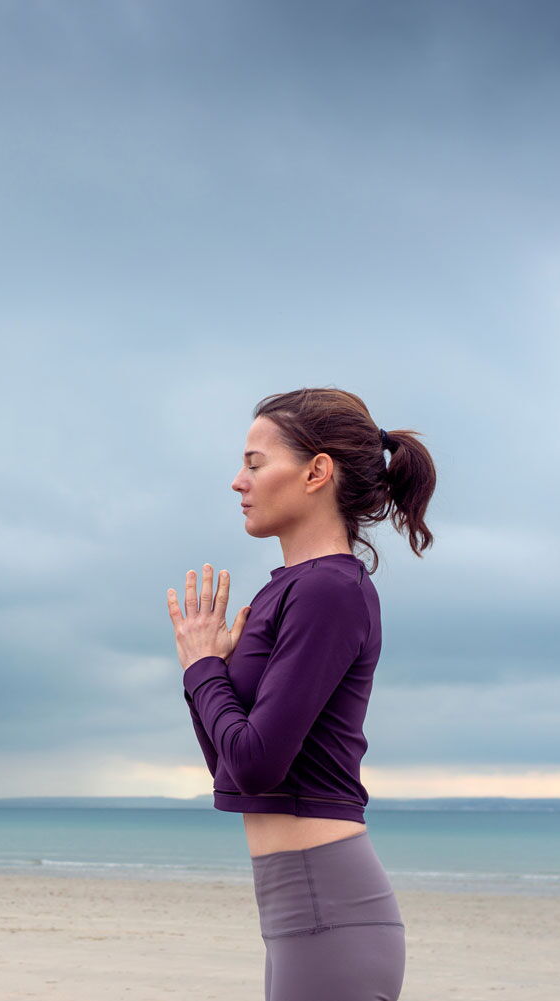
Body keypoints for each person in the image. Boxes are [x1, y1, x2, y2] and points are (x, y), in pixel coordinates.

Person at [165, 386, 436, 1001]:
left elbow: (257, 767)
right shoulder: (287, 592)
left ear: (317, 472)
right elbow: (234, 771)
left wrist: (205, 668)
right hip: (301, 913)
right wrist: (201, 672)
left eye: (256, 464)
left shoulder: (328, 591)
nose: (238, 482)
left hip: (328, 912)